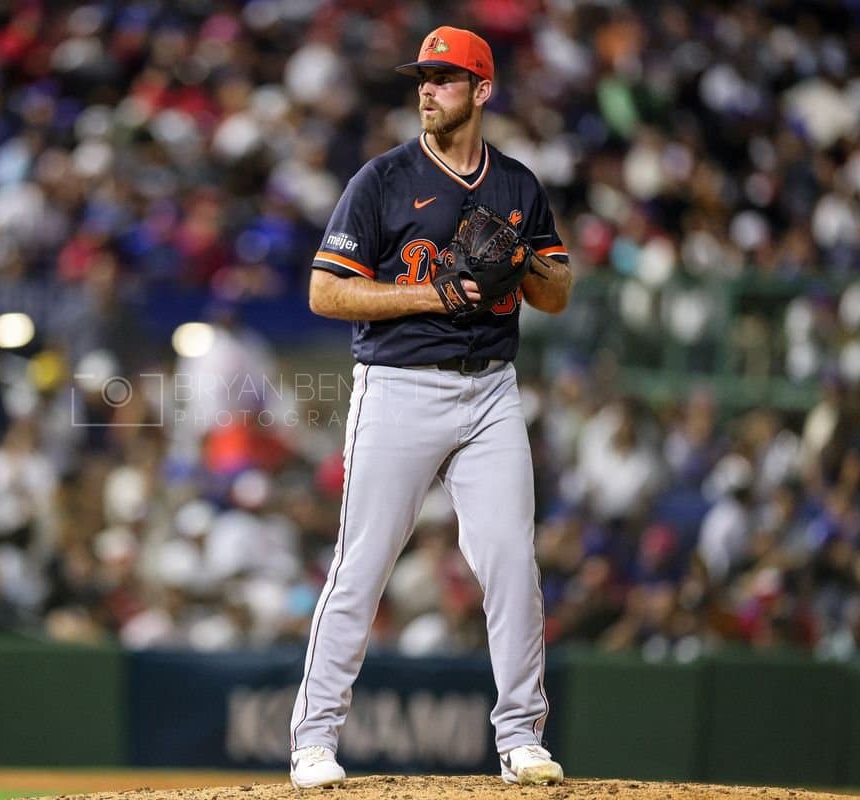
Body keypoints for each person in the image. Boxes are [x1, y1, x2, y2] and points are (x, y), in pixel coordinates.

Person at [288, 27, 573, 789]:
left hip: (491, 391)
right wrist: (429, 293)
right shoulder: (381, 180)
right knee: (362, 567)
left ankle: (521, 738)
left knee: (512, 562)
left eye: (445, 78)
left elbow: (557, 294)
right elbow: (325, 291)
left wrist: (522, 256)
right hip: (399, 387)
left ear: (482, 91)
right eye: (423, 76)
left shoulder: (517, 184)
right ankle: (313, 741)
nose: (427, 89)